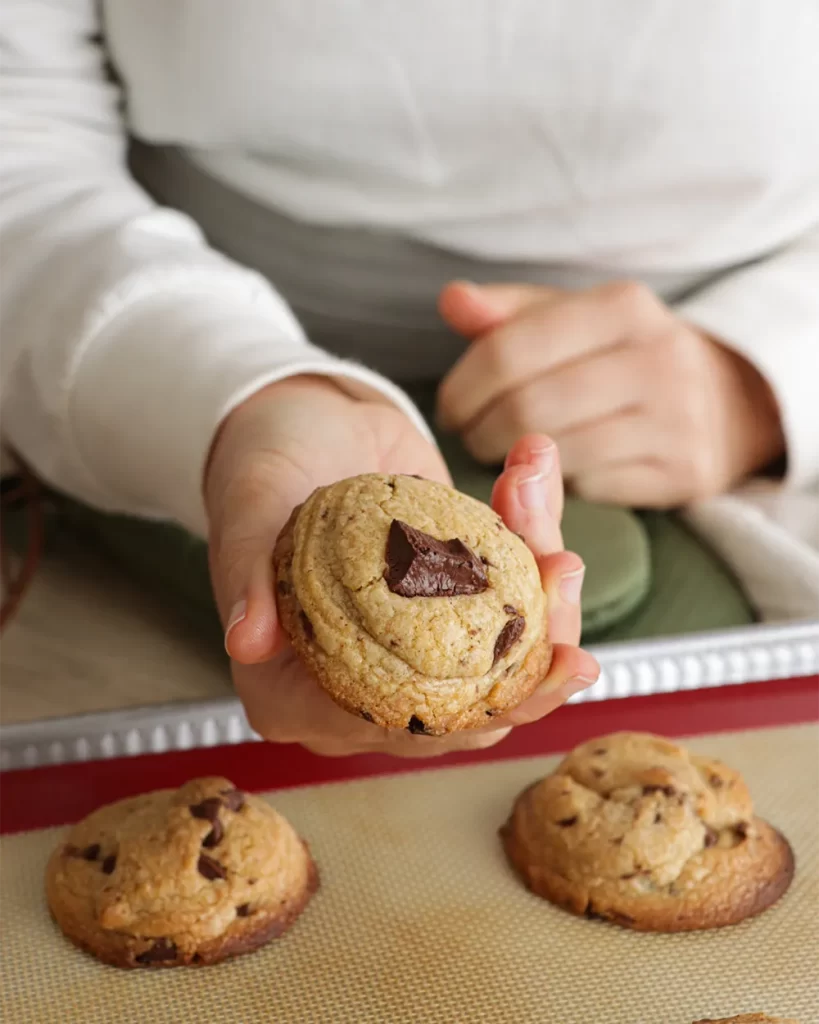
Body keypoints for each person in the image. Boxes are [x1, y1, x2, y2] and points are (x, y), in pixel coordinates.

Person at [0, 3, 814, 753]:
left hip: (731, 434)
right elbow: (20, 129)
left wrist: (761, 374)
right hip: (140, 370)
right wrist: (230, 382)